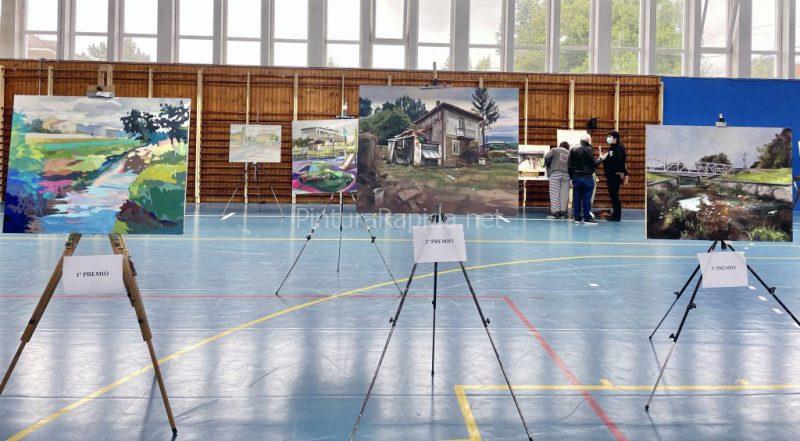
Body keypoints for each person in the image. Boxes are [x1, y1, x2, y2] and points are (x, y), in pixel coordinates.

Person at [568, 133, 603, 225]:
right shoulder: (589, 150)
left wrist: (571, 177)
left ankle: (577, 218)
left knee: (576, 198)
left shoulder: (573, 149)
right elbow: (594, 164)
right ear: (588, 140)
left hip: (576, 178)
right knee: (587, 198)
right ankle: (587, 218)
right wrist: (601, 159)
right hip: (587, 178)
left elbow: (569, 166)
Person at [601, 130, 629, 222]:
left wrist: (625, 174)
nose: (608, 138)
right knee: (613, 195)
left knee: (614, 196)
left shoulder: (618, 148)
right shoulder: (613, 147)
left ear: (615, 139)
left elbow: (620, 161)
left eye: (610, 137)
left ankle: (616, 216)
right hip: (612, 175)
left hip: (615, 175)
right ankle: (615, 215)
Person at [544, 142, 570, 218]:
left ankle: (555, 213)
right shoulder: (569, 153)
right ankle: (562, 212)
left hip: (555, 174)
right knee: (564, 194)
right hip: (566, 175)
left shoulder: (554, 150)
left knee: (554, 193)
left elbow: (546, 157)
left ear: (560, 145)